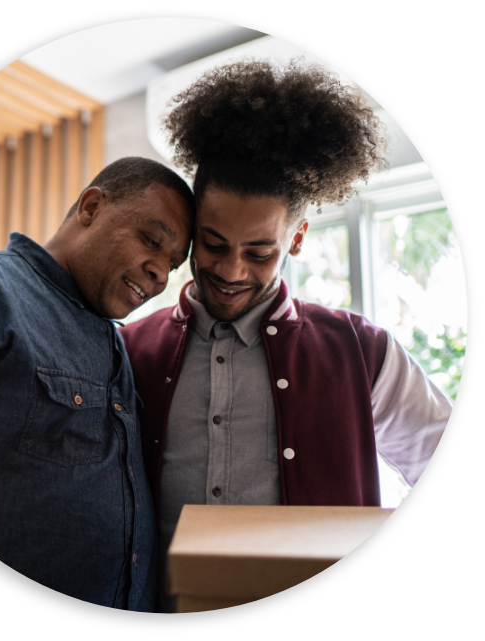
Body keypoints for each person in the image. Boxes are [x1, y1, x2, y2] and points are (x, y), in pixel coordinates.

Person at [118, 61, 452, 612]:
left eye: (259, 252)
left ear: (296, 238)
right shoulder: (130, 350)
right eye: (214, 243)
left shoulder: (361, 351)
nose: (231, 270)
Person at [0, 156, 195, 612]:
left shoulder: (116, 341)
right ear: (90, 207)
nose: (160, 273)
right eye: (151, 240)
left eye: (173, 263)